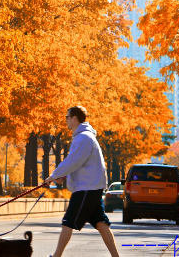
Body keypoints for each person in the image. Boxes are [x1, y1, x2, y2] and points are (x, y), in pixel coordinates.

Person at [44, 106, 120, 257]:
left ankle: (56, 256)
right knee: (100, 222)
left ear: (74, 118)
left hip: (86, 188)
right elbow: (81, 164)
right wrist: (64, 177)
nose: (65, 120)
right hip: (91, 186)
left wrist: (54, 175)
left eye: (67, 117)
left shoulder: (84, 137)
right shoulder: (84, 137)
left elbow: (73, 161)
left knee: (68, 221)